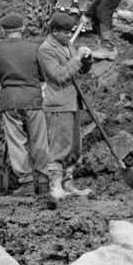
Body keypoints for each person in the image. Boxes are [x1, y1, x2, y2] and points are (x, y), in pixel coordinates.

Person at [0, 13, 50, 200]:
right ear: (22, 28)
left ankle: (26, 182)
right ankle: (43, 180)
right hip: (33, 99)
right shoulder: (34, 48)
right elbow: (43, 75)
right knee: (39, 141)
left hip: (10, 100)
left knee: (16, 142)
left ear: (3, 30)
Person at [37, 11, 94, 200]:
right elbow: (60, 76)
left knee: (74, 147)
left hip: (72, 102)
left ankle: (68, 184)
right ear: (54, 31)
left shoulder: (67, 45)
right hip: (58, 104)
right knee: (60, 147)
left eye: (71, 32)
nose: (70, 35)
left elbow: (79, 71)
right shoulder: (46, 49)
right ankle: (55, 186)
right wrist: (77, 58)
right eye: (66, 32)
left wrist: (86, 61)